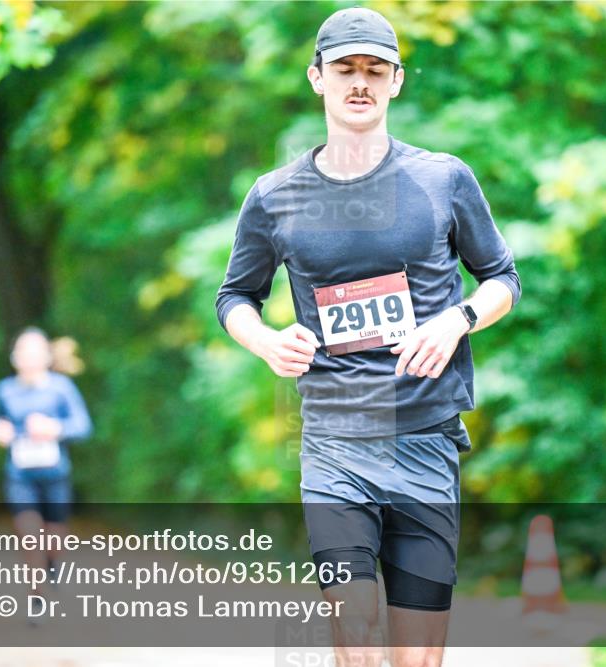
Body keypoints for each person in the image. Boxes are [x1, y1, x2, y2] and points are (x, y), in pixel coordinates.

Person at [215, 8, 521, 666]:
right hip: (334, 445)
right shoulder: (275, 195)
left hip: (424, 440)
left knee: (418, 657)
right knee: (355, 641)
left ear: (397, 81)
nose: (360, 83)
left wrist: (458, 318)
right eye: (346, 69)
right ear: (317, 78)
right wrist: (266, 341)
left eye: (375, 70)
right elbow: (234, 296)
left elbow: (503, 278)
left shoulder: (442, 178)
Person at [0, 327, 92, 617]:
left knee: (54, 538)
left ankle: (52, 563)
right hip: (20, 475)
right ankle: (37, 597)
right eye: (23, 352)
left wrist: (54, 428)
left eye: (35, 352)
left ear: (46, 357)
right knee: (29, 534)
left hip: (55, 474)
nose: (29, 358)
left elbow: (83, 426)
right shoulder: (5, 390)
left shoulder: (61, 388)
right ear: (15, 357)